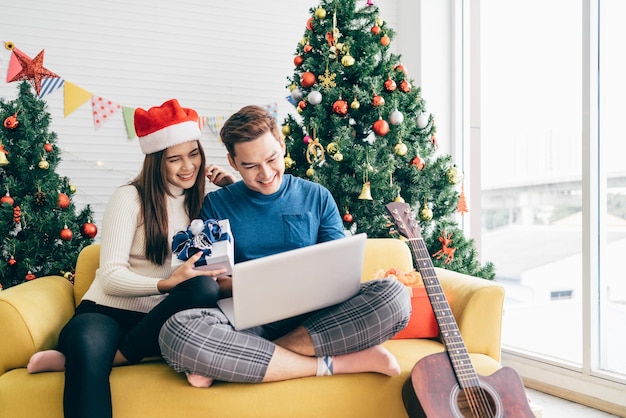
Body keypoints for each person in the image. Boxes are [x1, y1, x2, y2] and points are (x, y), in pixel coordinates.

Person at [158, 105, 412, 388]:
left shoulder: (317, 197)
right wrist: (255, 284)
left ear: (282, 145)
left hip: (317, 317)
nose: (265, 174)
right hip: (248, 319)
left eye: (271, 159)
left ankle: (244, 359)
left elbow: (338, 272)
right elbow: (213, 281)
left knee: (395, 297)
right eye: (250, 166)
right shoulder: (216, 205)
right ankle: (330, 363)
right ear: (232, 161)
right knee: (178, 332)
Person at [26, 99, 235, 418]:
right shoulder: (130, 197)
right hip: (106, 312)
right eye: (174, 159)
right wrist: (166, 283)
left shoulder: (200, 203)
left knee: (204, 290)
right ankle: (95, 353)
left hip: (157, 322)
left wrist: (231, 189)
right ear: (156, 161)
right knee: (89, 342)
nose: (187, 166)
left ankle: (117, 354)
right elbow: (109, 275)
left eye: (193, 154)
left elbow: (226, 247)